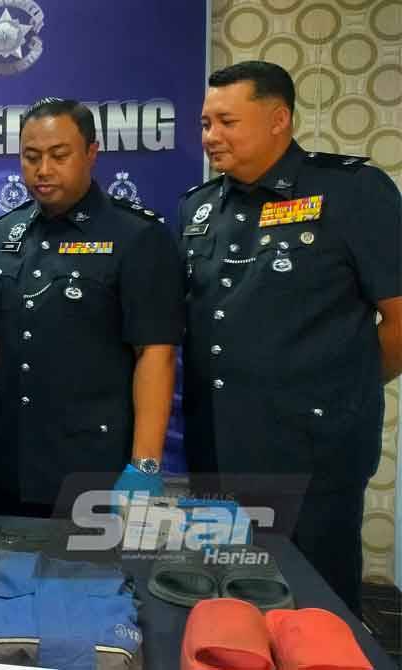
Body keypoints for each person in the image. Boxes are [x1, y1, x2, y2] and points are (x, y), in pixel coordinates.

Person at [181, 61, 402, 613]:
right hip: (219, 452)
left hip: (312, 455)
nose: (211, 136)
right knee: (229, 603)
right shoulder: (198, 208)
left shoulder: (352, 191)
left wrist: (343, 385)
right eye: (206, 123)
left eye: (227, 121)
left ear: (278, 119)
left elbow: (400, 319)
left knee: (316, 610)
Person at [0, 98, 185, 517]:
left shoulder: (136, 236)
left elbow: (155, 354)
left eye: (58, 155)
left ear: (92, 152)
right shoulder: (5, 234)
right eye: (31, 157)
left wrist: (145, 463)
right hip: (12, 460)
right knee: (12, 576)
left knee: (90, 582)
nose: (43, 169)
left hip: (95, 468)